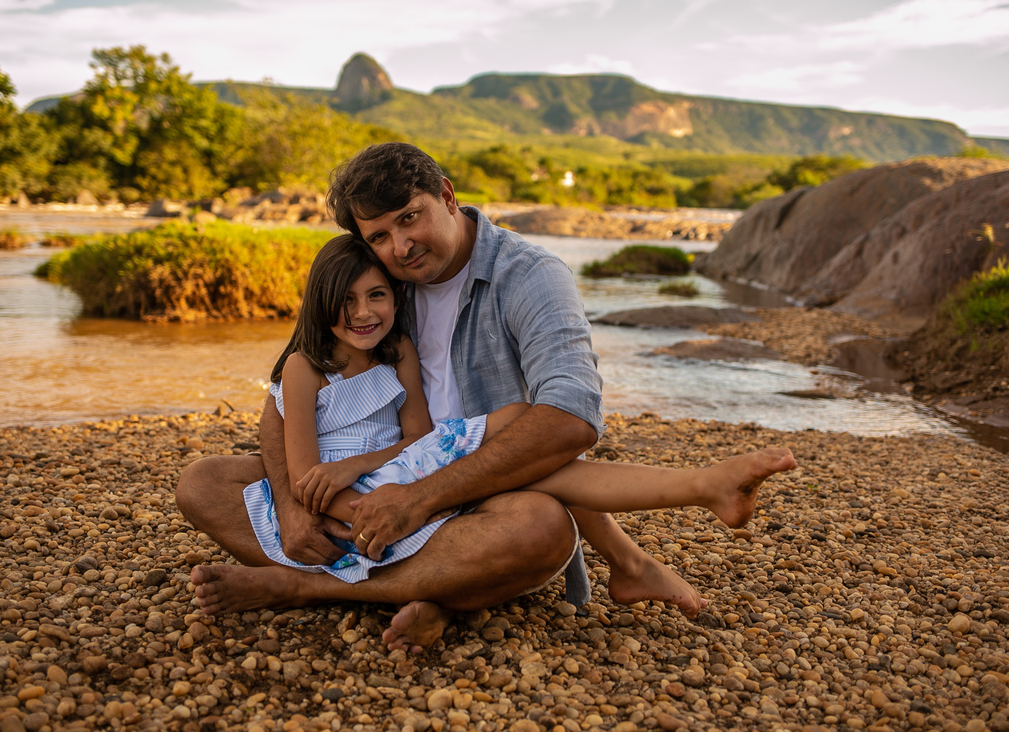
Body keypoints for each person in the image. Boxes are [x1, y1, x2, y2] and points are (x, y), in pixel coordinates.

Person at [177, 142, 796, 652]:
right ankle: (438, 594)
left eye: (411, 218)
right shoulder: (379, 283)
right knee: (204, 482)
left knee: (540, 530)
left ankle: (306, 587)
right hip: (374, 486)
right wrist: (292, 506)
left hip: (482, 490)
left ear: (447, 195)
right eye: (381, 235)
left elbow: (572, 418)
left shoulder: (530, 276)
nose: (401, 246)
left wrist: (417, 499)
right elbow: (284, 395)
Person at [240, 233, 796, 592]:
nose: (363, 312)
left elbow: (421, 436)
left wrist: (377, 473)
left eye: (376, 295)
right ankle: (688, 499)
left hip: (412, 469)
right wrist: (339, 501)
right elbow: (300, 464)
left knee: (526, 427)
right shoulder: (309, 364)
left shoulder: (406, 340)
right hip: (363, 499)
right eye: (346, 300)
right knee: (205, 481)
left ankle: (680, 511)